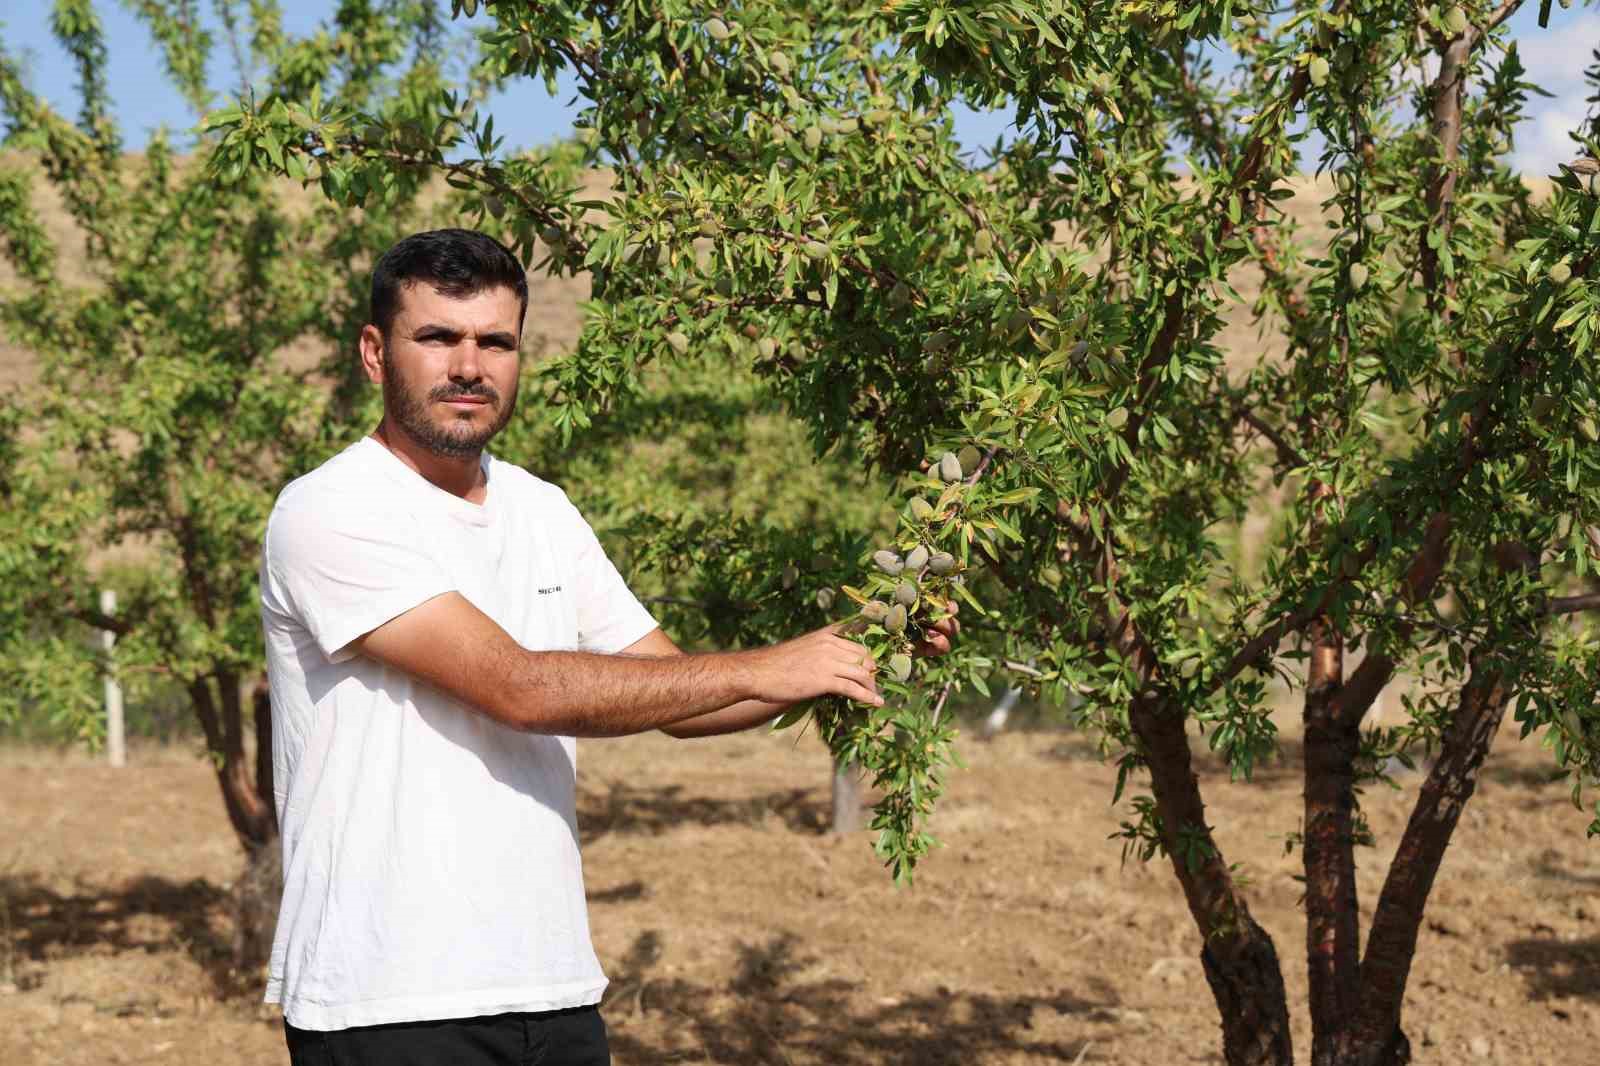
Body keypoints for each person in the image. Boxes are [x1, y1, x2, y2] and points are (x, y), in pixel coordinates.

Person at [258, 228, 958, 1066]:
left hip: (551, 989)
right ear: (376, 354)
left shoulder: (543, 510)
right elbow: (520, 689)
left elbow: (675, 695)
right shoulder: (331, 509)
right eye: (437, 338)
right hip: (387, 999)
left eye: (496, 342)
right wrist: (777, 663)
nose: (469, 366)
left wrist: (849, 653)